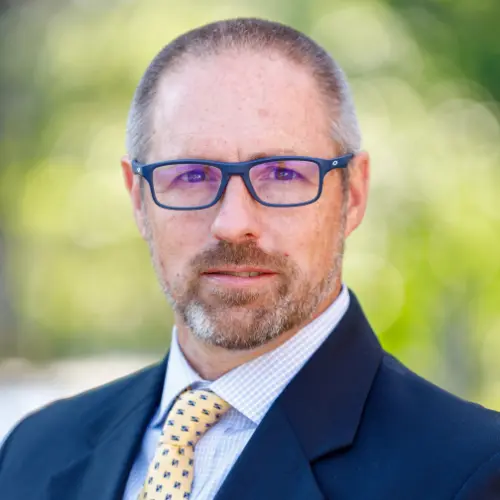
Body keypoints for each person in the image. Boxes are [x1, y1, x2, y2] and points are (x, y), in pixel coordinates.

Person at [1, 17, 499, 500]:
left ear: (353, 195)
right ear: (138, 198)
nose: (233, 222)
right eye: (191, 176)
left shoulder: (472, 470)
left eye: (282, 173)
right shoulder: (33, 452)